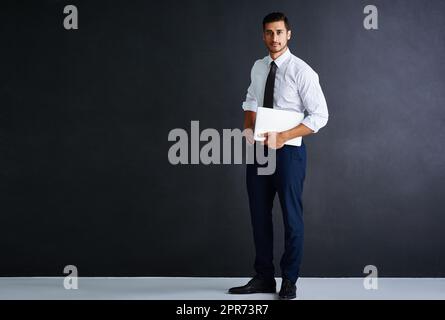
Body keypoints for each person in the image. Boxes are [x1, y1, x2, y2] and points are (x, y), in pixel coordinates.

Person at [228, 12, 329, 300]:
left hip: (289, 154)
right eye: (269, 33)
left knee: (291, 218)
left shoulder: (302, 71)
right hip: (260, 152)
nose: (274, 38)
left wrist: (283, 136)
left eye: (280, 33)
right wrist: (248, 128)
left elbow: (320, 116)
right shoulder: (259, 67)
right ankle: (263, 277)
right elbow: (250, 100)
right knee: (259, 216)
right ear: (263, 35)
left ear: (289, 35)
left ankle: (289, 280)